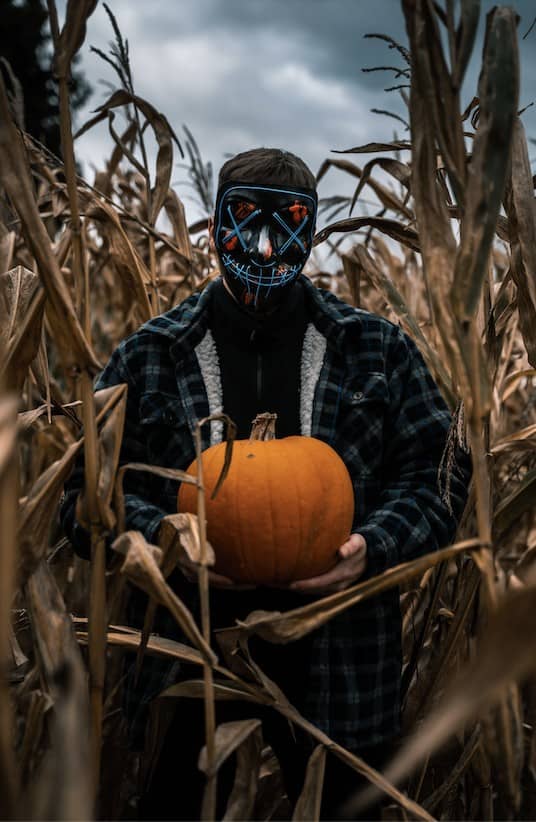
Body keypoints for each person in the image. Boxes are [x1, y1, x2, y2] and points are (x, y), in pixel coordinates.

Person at [61, 147, 470, 819]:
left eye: (288, 223)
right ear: (214, 225)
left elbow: (443, 473)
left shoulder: (375, 349)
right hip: (186, 656)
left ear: (310, 231)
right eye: (244, 218)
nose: (262, 241)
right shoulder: (151, 354)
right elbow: (84, 500)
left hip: (341, 653)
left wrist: (374, 545)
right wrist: (164, 543)